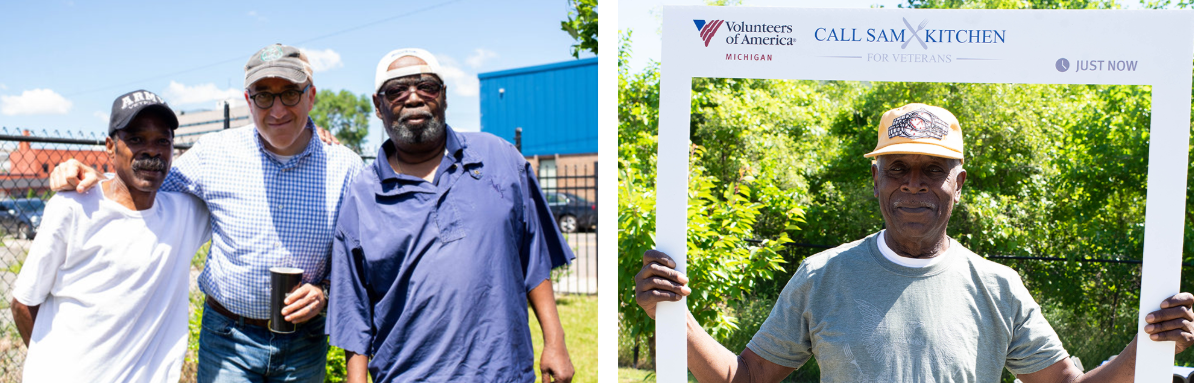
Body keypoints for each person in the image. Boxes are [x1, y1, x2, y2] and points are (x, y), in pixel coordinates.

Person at [634, 103, 1194, 382]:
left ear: (960, 183)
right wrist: (673, 318)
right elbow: (747, 380)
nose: (913, 185)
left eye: (933, 171)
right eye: (897, 168)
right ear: (875, 180)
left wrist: (1149, 348)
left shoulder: (998, 287)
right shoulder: (820, 276)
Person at [49, 44, 364, 382]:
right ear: (248, 100)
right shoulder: (215, 152)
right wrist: (94, 176)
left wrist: (325, 291)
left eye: (289, 94)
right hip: (228, 338)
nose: (276, 109)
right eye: (263, 96)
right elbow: (144, 186)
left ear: (310, 97)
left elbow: (355, 260)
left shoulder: (344, 167)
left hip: (304, 341)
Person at [327, 48, 576, 383]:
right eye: (396, 90)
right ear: (378, 105)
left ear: (443, 96)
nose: (413, 97)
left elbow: (535, 258)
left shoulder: (499, 158)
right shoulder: (362, 196)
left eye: (426, 86)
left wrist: (555, 341)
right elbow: (353, 309)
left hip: (502, 372)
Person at [11, 90, 211, 382]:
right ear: (109, 147)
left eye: (162, 141)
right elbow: (23, 304)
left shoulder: (184, 214)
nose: (152, 151)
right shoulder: (73, 207)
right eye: (136, 139)